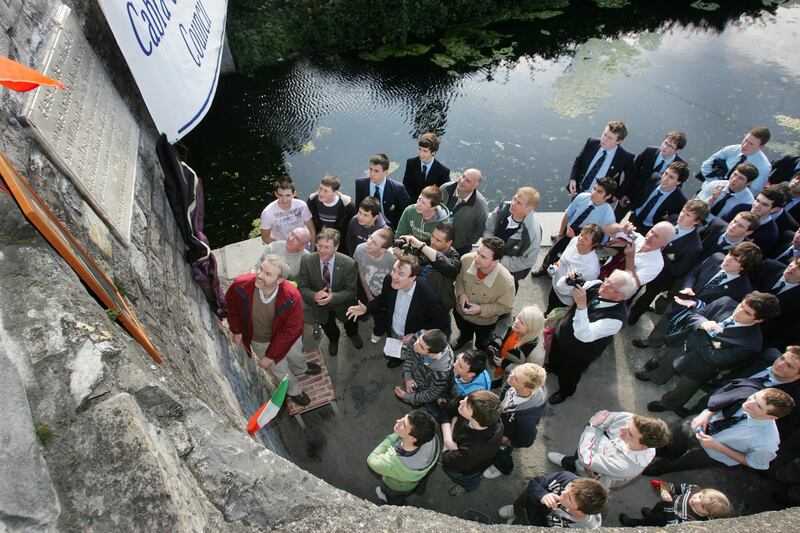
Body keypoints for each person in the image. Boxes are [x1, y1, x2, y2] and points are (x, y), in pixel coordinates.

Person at [640, 292, 780, 414]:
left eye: (747, 312)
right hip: (683, 344)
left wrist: (699, 333)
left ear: (759, 320)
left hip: (701, 365)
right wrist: (703, 323)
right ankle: (656, 378)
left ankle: (668, 403)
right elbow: (695, 315)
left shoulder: (751, 343)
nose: (738, 311)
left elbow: (715, 358)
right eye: (742, 305)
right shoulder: (726, 302)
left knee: (684, 388)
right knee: (667, 362)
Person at [225, 255, 321, 406]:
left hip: (287, 337)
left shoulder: (291, 296)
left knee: (297, 356)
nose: (260, 275)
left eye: (268, 274)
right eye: (261, 269)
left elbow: (291, 329)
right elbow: (231, 305)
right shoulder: (241, 284)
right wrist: (236, 330)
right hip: (260, 340)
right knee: (281, 371)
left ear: (280, 280)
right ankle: (295, 391)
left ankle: (302, 368)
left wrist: (271, 355)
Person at [634, 242, 760, 349]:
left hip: (699, 316)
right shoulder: (716, 257)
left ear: (744, 267)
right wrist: (687, 287)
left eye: (735, 260)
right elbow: (694, 274)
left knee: (678, 339)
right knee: (664, 324)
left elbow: (723, 310)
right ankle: (652, 342)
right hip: (681, 300)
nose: (728, 259)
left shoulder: (743, 289)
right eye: (730, 254)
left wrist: (697, 305)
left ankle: (658, 360)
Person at [644, 388, 795, 474]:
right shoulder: (747, 394)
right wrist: (705, 414)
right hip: (697, 424)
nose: (749, 403)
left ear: (771, 417)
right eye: (754, 397)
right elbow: (722, 398)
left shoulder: (767, 442)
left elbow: (754, 462)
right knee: (671, 439)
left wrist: (717, 446)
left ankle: (656, 468)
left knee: (677, 461)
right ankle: (653, 452)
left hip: (708, 453)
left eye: (759, 406)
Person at [547, 270, 638, 405]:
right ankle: (553, 367)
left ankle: (565, 392)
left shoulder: (616, 319)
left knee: (569, 375)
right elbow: (562, 289)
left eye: (611, 286)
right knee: (555, 357)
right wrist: (567, 280)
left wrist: (582, 306)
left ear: (621, 296)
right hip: (562, 335)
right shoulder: (597, 285)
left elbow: (584, 335)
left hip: (578, 353)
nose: (604, 285)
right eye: (607, 280)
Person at [346, 254, 449, 366]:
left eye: (401, 274)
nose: (394, 276)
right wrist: (367, 308)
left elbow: (441, 323)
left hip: (413, 336)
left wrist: (417, 335)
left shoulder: (429, 297)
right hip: (394, 329)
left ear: (412, 278)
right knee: (396, 351)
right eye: (394, 270)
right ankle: (396, 358)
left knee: (413, 356)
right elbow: (383, 299)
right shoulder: (389, 280)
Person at [627, 200, 707, 325]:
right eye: (683, 211)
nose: (681, 215)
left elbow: (679, 270)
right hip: (643, 264)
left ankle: (634, 316)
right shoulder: (673, 219)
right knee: (632, 287)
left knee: (646, 298)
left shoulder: (694, 246)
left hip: (661, 277)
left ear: (696, 221)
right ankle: (624, 303)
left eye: (688, 215)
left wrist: (660, 256)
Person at [547, 410, 671, 488]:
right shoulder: (630, 419)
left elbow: (586, 459)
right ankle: (565, 461)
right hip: (588, 449)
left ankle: (566, 482)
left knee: (576, 479)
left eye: (630, 434)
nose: (621, 430)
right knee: (575, 459)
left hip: (591, 476)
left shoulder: (627, 467)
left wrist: (592, 428)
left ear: (643, 446)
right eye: (628, 426)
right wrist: (596, 429)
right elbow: (602, 418)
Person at [297, 229, 362, 356]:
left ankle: (353, 335)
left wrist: (333, 297)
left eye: (327, 247)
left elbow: (351, 291)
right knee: (328, 327)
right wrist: (314, 296)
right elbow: (302, 287)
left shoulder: (349, 264)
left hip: (344, 306)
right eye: (319, 245)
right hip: (320, 308)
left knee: (351, 325)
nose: (321, 250)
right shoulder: (306, 261)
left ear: (337, 247)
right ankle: (333, 340)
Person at [535, 178, 616, 276]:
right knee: (554, 252)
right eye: (594, 188)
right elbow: (568, 215)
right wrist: (561, 233)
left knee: (565, 259)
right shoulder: (582, 197)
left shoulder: (608, 216)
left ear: (607, 196)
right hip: (569, 231)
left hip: (583, 241)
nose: (593, 193)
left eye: (599, 191)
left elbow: (600, 242)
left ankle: (554, 275)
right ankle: (545, 269)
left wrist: (576, 239)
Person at [484, 363, 548, 479]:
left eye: (516, 378)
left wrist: (508, 442)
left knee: (503, 452)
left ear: (528, 388)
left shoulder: (527, 418)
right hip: (501, 423)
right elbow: (504, 395)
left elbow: (527, 440)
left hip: (506, 435)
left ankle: (502, 467)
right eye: (514, 371)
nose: (510, 376)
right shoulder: (512, 383)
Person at [453, 237, 516, 352]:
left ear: (495, 261)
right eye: (478, 252)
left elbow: (506, 307)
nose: (476, 258)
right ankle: (464, 338)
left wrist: (481, 309)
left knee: (482, 343)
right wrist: (461, 294)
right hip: (460, 313)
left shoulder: (506, 282)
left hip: (484, 323)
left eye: (483, 257)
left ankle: (480, 350)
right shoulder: (466, 260)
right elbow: (459, 278)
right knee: (463, 331)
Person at [394, 222, 461, 325]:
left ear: (449, 243)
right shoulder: (423, 245)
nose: (432, 242)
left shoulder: (454, 258)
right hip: (418, 298)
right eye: (432, 236)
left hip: (439, 304)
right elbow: (413, 267)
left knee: (439, 330)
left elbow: (449, 267)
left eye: (438, 240)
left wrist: (421, 246)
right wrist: (402, 256)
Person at [367, 409, 439, 505]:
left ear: (412, 438)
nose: (398, 421)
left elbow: (371, 460)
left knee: (393, 496)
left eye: (403, 425)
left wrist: (393, 437)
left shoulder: (392, 463)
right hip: (418, 476)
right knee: (420, 482)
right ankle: (419, 491)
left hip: (397, 487)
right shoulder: (430, 437)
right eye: (403, 418)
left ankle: (394, 503)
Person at [440, 390, 503, 496]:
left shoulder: (476, 449)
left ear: (476, 419)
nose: (461, 402)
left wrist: (451, 425)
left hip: (466, 470)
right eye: (466, 398)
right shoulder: (480, 409)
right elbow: (446, 409)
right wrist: (448, 440)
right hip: (463, 454)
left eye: (466, 406)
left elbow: (447, 460)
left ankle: (469, 487)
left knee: (466, 479)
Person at [616, 131, 687, 219]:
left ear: (677, 150)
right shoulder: (649, 151)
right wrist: (623, 193)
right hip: (630, 195)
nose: (665, 147)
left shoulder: (680, 166)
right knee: (615, 220)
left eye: (670, 146)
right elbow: (632, 173)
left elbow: (674, 188)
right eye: (665, 143)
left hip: (648, 205)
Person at [483, 186, 543, 290]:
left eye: (519, 203)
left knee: (504, 292)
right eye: (514, 199)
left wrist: (498, 260)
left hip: (509, 272)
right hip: (491, 259)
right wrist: (488, 248)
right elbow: (489, 226)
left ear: (529, 209)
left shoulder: (532, 234)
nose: (513, 203)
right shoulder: (503, 208)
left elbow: (527, 261)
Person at [498, 472, 608, 527]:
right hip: (527, 503)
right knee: (520, 507)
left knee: (522, 523)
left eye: (569, 497)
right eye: (569, 487)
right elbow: (535, 482)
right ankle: (515, 511)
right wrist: (542, 495)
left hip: (534, 523)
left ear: (580, 510)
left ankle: (519, 522)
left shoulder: (578, 528)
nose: (563, 492)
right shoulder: (567, 478)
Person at [567, 120, 635, 197]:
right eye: (604, 134)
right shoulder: (591, 142)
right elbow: (579, 160)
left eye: (610, 138)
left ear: (619, 141)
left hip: (601, 199)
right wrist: (573, 179)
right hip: (578, 191)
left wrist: (617, 196)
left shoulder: (625, 157)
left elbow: (630, 177)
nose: (604, 139)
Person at [546, 224, 603, 314]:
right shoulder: (574, 241)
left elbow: (581, 291)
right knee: (549, 307)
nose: (580, 239)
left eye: (585, 239)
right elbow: (562, 260)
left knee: (553, 317)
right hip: (555, 284)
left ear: (594, 244)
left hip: (565, 299)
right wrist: (554, 268)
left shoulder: (592, 269)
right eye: (581, 234)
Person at [698, 127, 771, 194]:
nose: (745, 145)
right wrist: (714, 184)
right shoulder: (732, 149)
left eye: (751, 144)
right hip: (707, 189)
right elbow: (707, 164)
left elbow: (754, 191)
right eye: (745, 140)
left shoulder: (763, 167)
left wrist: (726, 192)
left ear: (761, 147)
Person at [618, 483, 731, 527]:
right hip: (664, 506)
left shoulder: (692, 520)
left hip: (664, 519)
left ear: (708, 514)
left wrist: (668, 504)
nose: (696, 500)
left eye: (702, 506)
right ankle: (650, 513)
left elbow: (672, 523)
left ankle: (634, 523)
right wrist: (665, 487)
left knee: (650, 522)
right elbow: (682, 488)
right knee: (656, 509)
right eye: (700, 496)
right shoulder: (696, 489)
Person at [602, 220, 673, 289]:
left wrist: (630, 258)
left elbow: (635, 283)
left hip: (613, 291)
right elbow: (607, 229)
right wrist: (621, 228)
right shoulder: (636, 238)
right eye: (652, 231)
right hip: (601, 275)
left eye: (656, 236)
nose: (650, 236)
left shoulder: (657, 263)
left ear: (664, 243)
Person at [627, 161, 690, 235]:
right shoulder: (654, 178)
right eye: (665, 173)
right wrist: (633, 209)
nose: (665, 179)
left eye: (671, 177)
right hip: (633, 218)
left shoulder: (680, 200)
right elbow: (641, 194)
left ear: (678, 182)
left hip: (650, 229)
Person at [395, 329, 454, 407]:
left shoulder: (441, 373)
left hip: (425, 388)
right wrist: (408, 376)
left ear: (432, 353)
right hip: (413, 376)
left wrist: (408, 397)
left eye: (421, 347)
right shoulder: (419, 336)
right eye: (419, 340)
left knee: (419, 402)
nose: (415, 345)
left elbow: (432, 393)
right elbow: (409, 355)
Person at [488, 306, 546, 383]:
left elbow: (529, 374)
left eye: (522, 323)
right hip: (504, 365)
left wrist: (505, 364)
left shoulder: (536, 356)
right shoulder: (516, 327)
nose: (516, 322)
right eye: (518, 317)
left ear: (531, 329)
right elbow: (506, 336)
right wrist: (497, 343)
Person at [721, 184, 787, 252]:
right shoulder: (740, 208)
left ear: (774, 209)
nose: (756, 206)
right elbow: (720, 225)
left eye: (764, 204)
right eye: (757, 200)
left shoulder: (770, 234)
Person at [354, 153, 411, 230]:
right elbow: (358, 206)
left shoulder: (398, 189)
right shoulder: (360, 184)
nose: (372, 174)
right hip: (367, 224)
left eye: (376, 171)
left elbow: (407, 212)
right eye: (371, 169)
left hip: (389, 226)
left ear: (386, 172)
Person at [754, 257, 800, 350]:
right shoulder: (769, 266)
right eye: (795, 262)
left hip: (756, 333)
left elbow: (780, 329)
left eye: (799, 268)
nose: (793, 267)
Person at [440, 168, 489, 254]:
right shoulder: (445, 188)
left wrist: (463, 241)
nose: (462, 181)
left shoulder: (481, 207)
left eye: (467, 181)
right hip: (436, 241)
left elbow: (479, 231)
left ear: (475, 186)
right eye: (463, 176)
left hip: (459, 249)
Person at [259, 177, 315, 245]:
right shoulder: (267, 213)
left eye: (288, 195)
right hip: (281, 245)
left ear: (294, 194)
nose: (284, 200)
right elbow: (265, 237)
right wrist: (284, 248)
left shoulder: (302, 205)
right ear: (276, 194)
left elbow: (311, 230)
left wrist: (312, 250)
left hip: (302, 243)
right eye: (281, 195)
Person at [402, 132, 450, 202]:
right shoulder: (411, 163)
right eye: (420, 149)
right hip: (412, 203)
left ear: (433, 152)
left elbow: (441, 196)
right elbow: (406, 187)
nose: (421, 154)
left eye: (425, 151)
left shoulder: (443, 171)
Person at [306, 174, 356, 241]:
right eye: (320, 188)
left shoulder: (345, 206)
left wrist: (349, 205)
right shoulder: (313, 202)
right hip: (320, 238)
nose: (321, 193)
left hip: (339, 241)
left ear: (335, 192)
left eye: (325, 191)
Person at [353, 228, 395, 304]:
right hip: (365, 290)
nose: (368, 242)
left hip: (384, 294)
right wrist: (370, 297)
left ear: (383, 249)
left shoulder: (392, 258)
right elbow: (361, 275)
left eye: (374, 243)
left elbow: (393, 281)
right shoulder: (360, 249)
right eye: (370, 237)